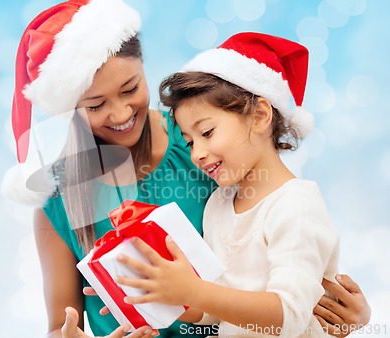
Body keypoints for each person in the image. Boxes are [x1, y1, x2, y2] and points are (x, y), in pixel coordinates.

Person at [1, 0, 371, 336]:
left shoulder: (202, 141)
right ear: (69, 107)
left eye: (130, 89)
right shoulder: (60, 198)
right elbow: (60, 325)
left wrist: (348, 313)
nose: (120, 113)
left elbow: (283, 242)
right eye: (95, 105)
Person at [112, 33, 371, 337]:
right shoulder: (218, 204)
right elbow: (215, 309)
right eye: (189, 141)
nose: (198, 154)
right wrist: (163, 291)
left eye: (207, 132)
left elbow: (289, 317)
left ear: (260, 116)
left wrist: (194, 291)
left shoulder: (296, 205)